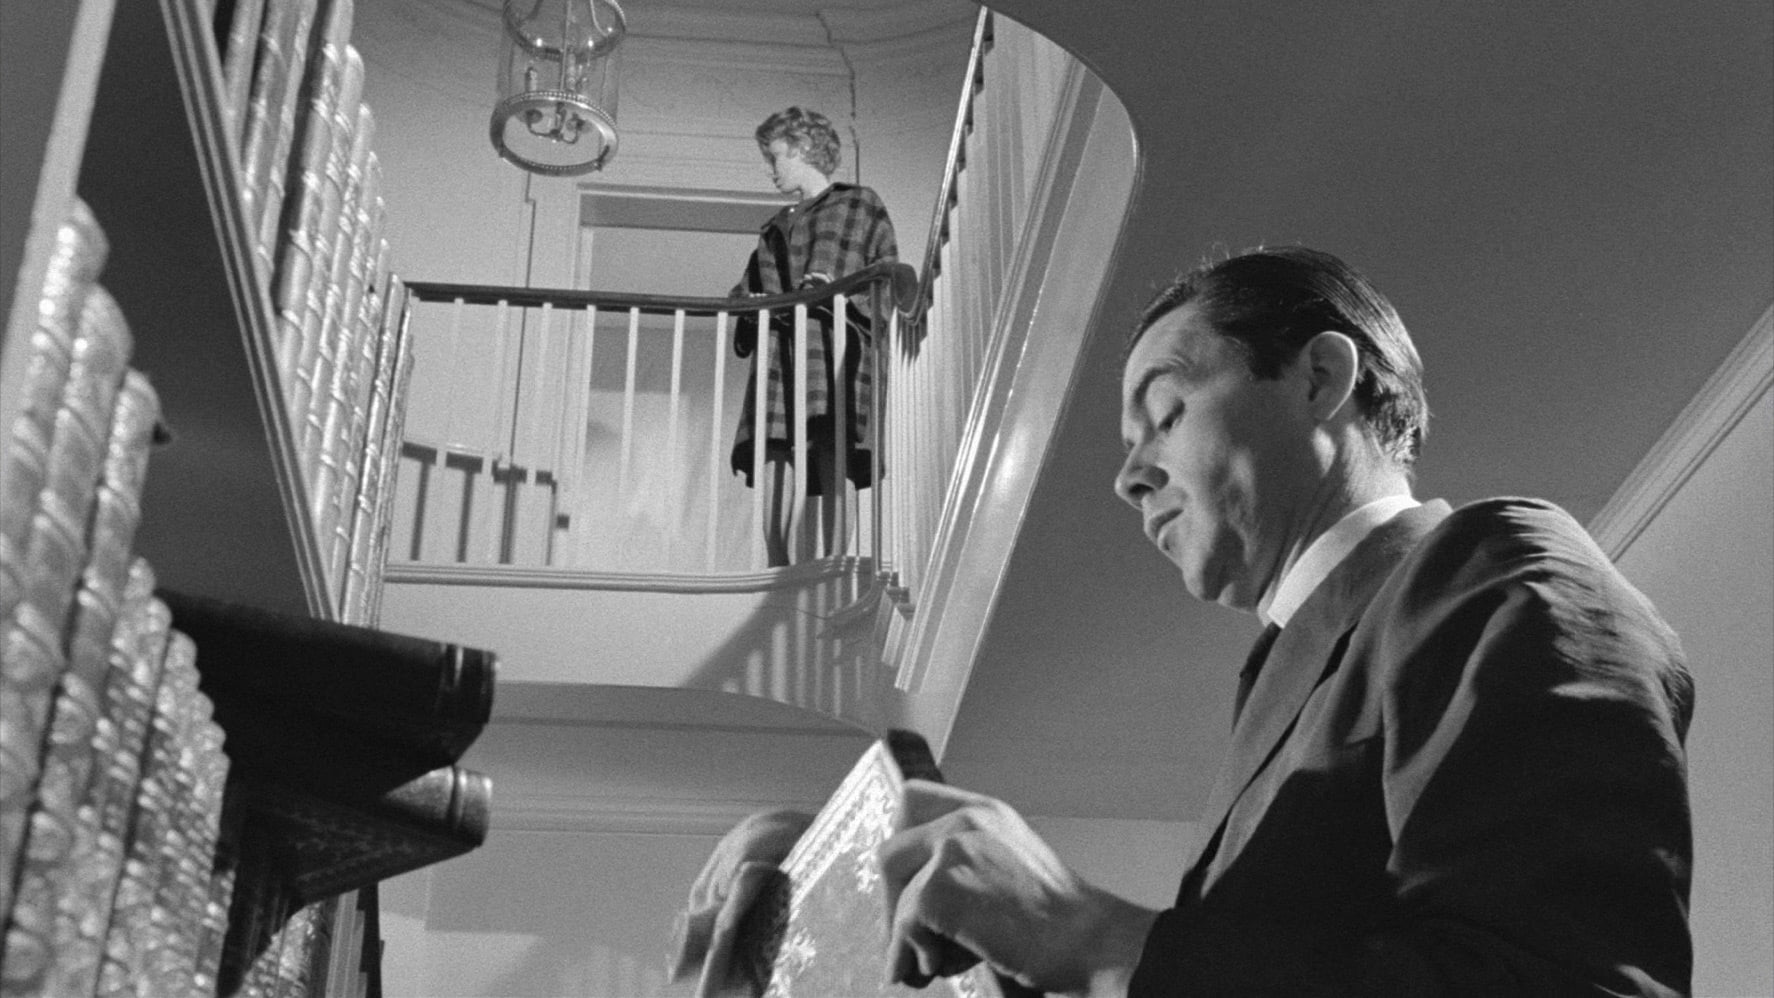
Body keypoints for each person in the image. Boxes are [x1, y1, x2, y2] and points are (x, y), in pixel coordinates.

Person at [670, 246, 1695, 996]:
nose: (1128, 476)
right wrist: (836, 878)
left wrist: (1094, 935)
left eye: (1164, 412)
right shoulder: (1285, 676)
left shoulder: (1499, 566)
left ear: (1321, 380)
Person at [729, 106, 899, 566]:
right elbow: (745, 289)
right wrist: (750, 305)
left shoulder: (859, 203)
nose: (770, 170)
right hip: (781, 347)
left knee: (832, 440)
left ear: (803, 148)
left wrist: (843, 293)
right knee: (774, 446)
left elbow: (887, 276)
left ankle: (835, 559)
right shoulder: (774, 227)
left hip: (833, 343)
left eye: (775, 157)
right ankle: (776, 562)